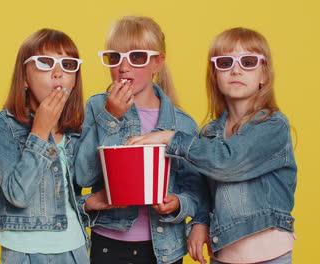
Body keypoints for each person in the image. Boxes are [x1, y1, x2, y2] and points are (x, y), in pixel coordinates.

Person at [126, 27, 297, 264]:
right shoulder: (210, 132)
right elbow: (206, 186)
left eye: (248, 62)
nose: (236, 69)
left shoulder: (272, 125)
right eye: (225, 62)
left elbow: (228, 162)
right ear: (215, 74)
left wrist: (170, 138)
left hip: (268, 255)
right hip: (223, 253)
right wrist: (200, 223)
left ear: (264, 76)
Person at [75, 16, 207, 264]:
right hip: (109, 243)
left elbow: (196, 190)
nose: (123, 66)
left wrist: (179, 203)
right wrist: (110, 118)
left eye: (136, 57)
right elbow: (82, 177)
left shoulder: (182, 124)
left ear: (158, 62)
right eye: (114, 57)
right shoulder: (96, 107)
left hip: (164, 249)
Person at [0, 29, 90, 263]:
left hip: (75, 250)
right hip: (24, 253)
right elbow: (17, 195)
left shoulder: (77, 129)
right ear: (24, 79)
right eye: (45, 62)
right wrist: (40, 132)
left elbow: (76, 188)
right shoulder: (0, 125)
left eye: (68, 64)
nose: (58, 73)